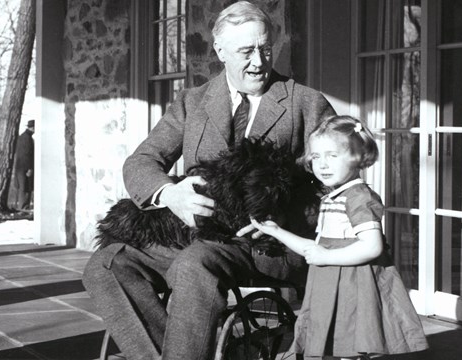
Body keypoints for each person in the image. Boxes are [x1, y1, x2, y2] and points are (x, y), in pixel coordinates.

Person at [82, 2, 335, 359]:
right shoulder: (192, 102)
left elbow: (331, 188)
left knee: (193, 265)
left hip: (264, 244)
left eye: (265, 49)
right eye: (246, 52)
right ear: (219, 51)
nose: (259, 62)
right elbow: (141, 162)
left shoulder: (306, 104)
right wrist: (169, 194)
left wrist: (282, 221)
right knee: (106, 264)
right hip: (195, 233)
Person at [250, 115, 429, 359]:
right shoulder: (333, 196)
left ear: (358, 156)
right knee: (337, 344)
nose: (322, 165)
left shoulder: (358, 197)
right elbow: (314, 249)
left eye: (332, 156)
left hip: (355, 284)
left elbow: (372, 246)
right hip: (329, 282)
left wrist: (327, 255)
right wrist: (275, 231)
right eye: (316, 157)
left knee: (351, 344)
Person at [14, 119, 34, 210]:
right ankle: (23, 209)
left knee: (23, 188)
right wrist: (29, 168)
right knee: (25, 189)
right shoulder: (27, 138)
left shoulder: (22, 137)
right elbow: (26, 154)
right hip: (24, 168)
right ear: (32, 128)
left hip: (20, 167)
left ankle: (22, 208)